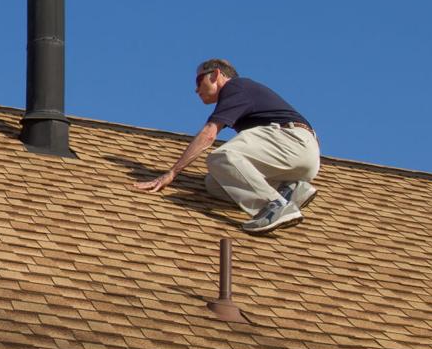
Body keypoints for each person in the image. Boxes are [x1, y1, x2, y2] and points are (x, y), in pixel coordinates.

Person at [135, 59, 320, 234]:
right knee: (215, 183)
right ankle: (290, 189)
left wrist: (172, 172)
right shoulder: (242, 95)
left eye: (199, 81)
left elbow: (209, 134)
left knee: (222, 156)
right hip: (300, 155)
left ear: (216, 74)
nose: (196, 89)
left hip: (290, 141)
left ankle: (275, 206)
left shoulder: (236, 87)